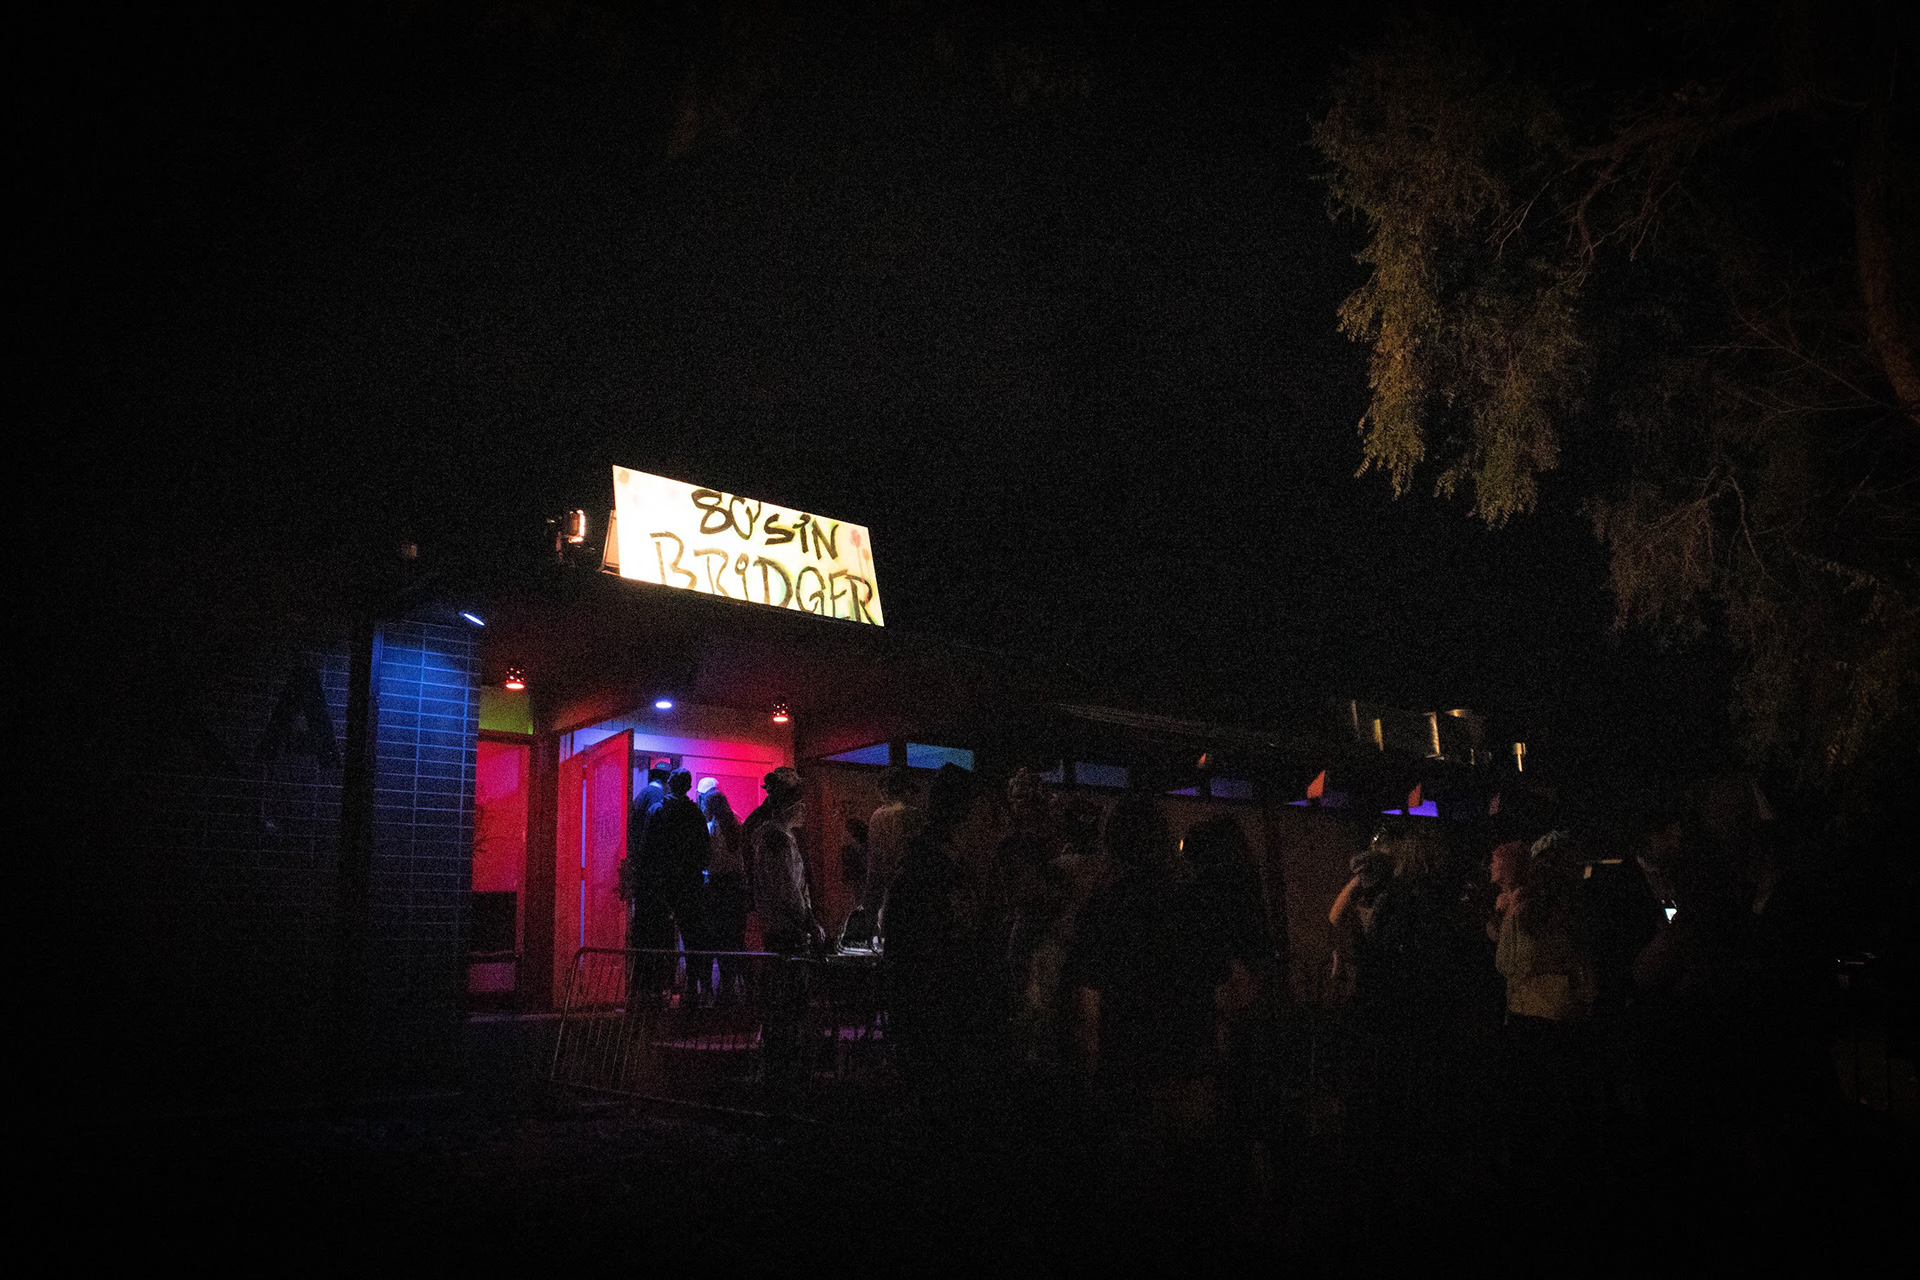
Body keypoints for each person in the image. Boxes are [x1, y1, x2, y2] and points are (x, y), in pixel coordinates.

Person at [643, 769, 710, 950]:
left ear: (670, 784)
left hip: (661, 881)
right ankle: (693, 969)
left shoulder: (657, 810)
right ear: (688, 786)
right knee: (692, 936)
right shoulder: (695, 813)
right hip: (689, 881)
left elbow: (646, 848)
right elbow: (704, 848)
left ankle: (664, 968)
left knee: (661, 935)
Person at [865, 766, 923, 948]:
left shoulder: (879, 817)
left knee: (893, 946)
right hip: (917, 890)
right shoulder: (916, 815)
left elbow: (875, 862)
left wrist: (870, 902)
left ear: (885, 789)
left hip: (891, 891)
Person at [622, 763, 674, 949]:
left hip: (640, 863)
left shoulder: (643, 793)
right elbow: (656, 834)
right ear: (667, 780)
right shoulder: (656, 796)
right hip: (651, 867)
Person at [699, 781, 748, 951]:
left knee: (718, 932)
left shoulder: (714, 826)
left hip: (718, 882)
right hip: (736, 882)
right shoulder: (736, 820)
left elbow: (712, 857)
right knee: (734, 935)